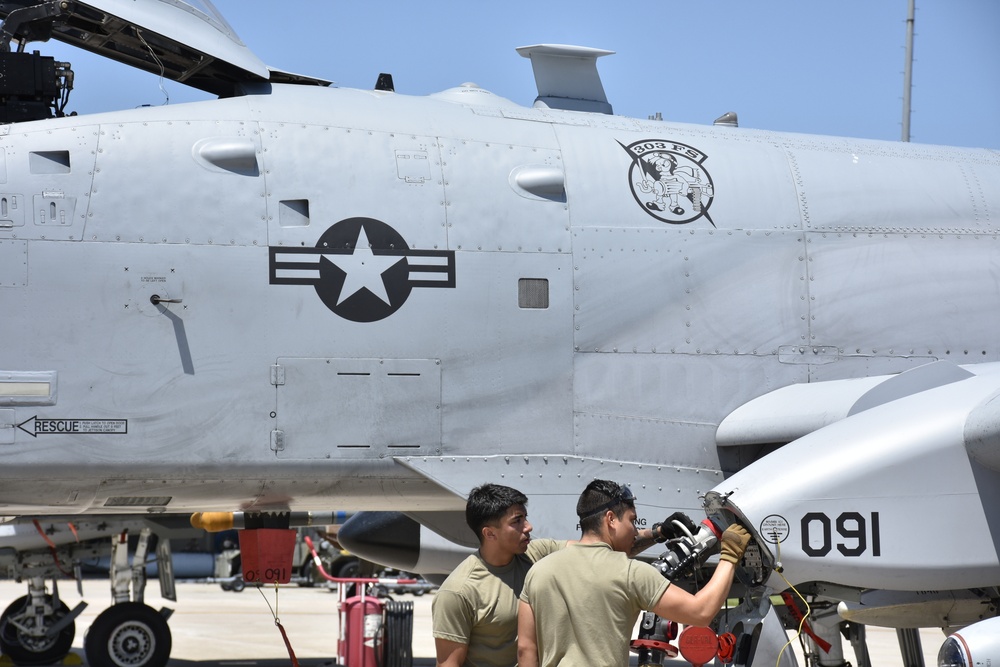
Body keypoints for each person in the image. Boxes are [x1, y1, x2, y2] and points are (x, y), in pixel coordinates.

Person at [432, 482, 678, 667]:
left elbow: (599, 549)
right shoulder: (458, 592)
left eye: (525, 518)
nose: (528, 527)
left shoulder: (536, 555)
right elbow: (448, 664)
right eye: (517, 521)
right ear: (489, 533)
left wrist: (658, 533)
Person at [517, 479, 751, 667]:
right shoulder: (631, 573)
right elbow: (700, 613)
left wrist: (659, 532)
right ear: (610, 519)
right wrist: (730, 555)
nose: (634, 530)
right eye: (632, 520)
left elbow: (526, 650)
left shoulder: (538, 571)